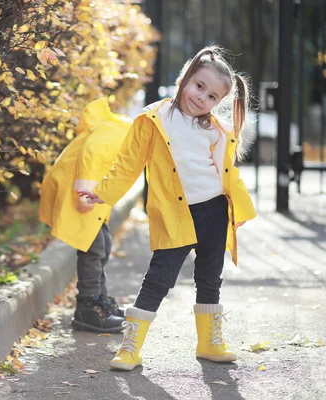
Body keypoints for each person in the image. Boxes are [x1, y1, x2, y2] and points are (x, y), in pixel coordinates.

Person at [77, 46, 256, 370]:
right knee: (159, 279)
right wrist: (104, 192)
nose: (202, 98)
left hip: (214, 211)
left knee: (209, 278)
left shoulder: (215, 128)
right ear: (185, 77)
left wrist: (239, 211)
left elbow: (227, 173)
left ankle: (209, 342)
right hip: (176, 213)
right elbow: (128, 162)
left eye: (212, 96)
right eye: (199, 86)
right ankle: (130, 346)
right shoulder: (154, 119)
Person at [39, 98, 133, 333]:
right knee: (93, 247)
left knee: (103, 243)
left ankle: (99, 301)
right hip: (79, 191)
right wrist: (85, 191)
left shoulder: (125, 131)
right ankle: (88, 307)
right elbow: (92, 152)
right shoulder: (120, 132)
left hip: (88, 194)